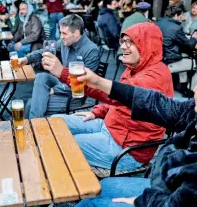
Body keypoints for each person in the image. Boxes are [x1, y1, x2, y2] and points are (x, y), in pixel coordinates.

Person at [53, 22, 174, 171]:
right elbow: (119, 100)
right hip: (111, 127)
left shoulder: (154, 77)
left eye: (130, 42)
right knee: (55, 123)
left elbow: (114, 95)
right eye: (123, 41)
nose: (123, 47)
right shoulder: (135, 68)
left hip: (126, 149)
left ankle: (63, 188)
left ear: (147, 45)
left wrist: (63, 74)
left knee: (62, 143)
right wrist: (97, 112)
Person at [72, 69, 196, 207]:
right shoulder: (192, 109)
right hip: (166, 182)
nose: (194, 90)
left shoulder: (154, 74)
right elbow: (154, 102)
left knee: (92, 203)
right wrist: (100, 82)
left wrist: (145, 201)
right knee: (103, 186)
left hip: (169, 198)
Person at [21, 14, 100, 118]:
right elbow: (43, 52)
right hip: (62, 83)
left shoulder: (91, 50)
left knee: (31, 104)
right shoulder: (65, 42)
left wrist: (55, 89)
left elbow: (84, 83)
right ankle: (35, 127)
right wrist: (26, 59)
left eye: (64, 33)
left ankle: (34, 130)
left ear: (76, 33)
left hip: (74, 96)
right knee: (41, 76)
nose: (61, 36)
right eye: (60, 32)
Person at [156, 2, 197, 96]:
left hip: (160, 55)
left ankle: (182, 87)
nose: (183, 16)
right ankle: (190, 91)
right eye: (181, 14)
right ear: (176, 15)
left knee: (186, 56)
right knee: (194, 63)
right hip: (169, 59)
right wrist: (194, 37)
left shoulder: (160, 22)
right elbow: (190, 44)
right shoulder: (176, 28)